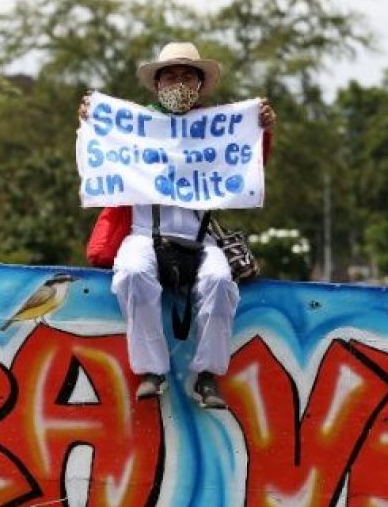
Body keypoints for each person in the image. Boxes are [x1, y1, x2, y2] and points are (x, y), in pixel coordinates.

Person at [79, 42, 276, 408]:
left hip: (200, 240)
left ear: (200, 85)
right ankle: (152, 371)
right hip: (143, 234)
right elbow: (103, 151)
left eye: (188, 76)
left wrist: (260, 129)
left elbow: (250, 163)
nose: (179, 83)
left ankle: (208, 376)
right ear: (157, 84)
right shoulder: (135, 126)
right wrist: (94, 120)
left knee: (220, 281)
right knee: (133, 273)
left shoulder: (216, 129)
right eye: (171, 75)